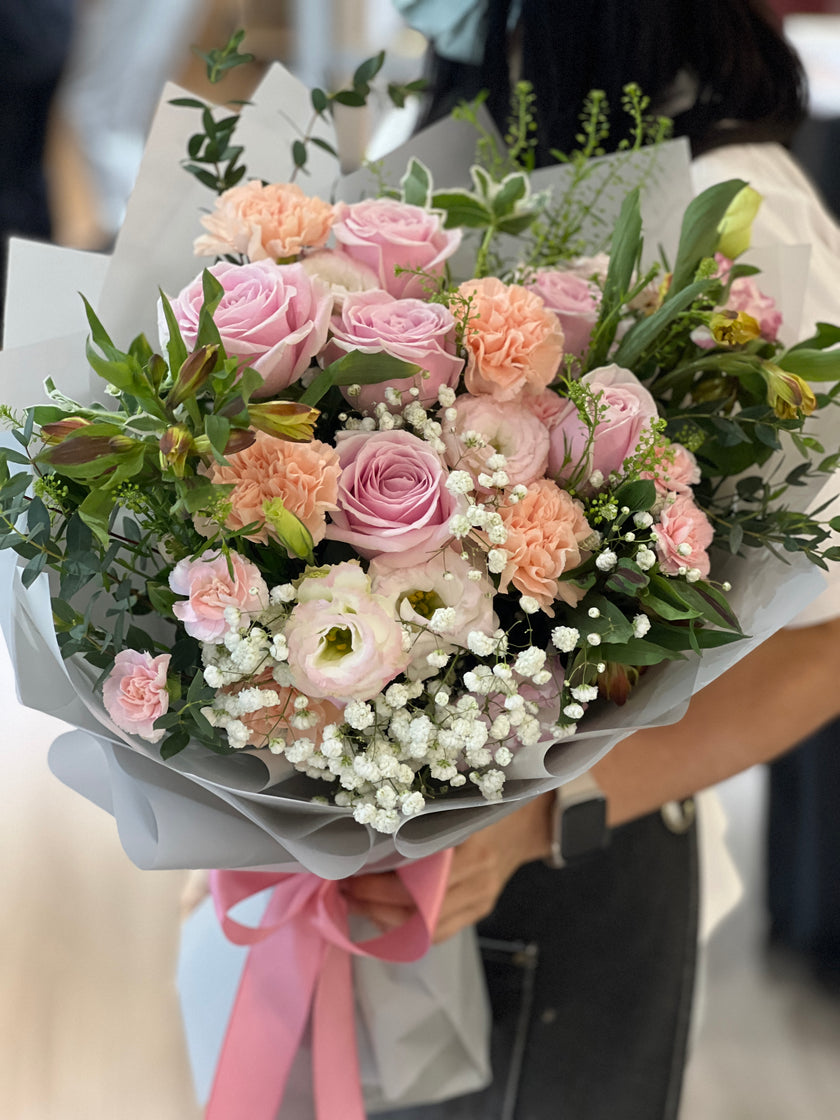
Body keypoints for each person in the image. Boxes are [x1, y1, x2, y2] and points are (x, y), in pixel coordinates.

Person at [344, 3, 840, 1116]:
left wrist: (536, 821)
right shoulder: (458, 124)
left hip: (569, 879)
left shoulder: (738, 212)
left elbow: (828, 644)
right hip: (374, 871)